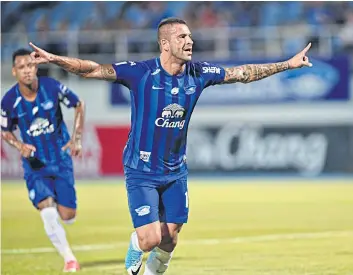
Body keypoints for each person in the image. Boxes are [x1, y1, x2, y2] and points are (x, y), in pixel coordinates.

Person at [28, 17, 313, 275]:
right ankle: (136, 242)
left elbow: (243, 72)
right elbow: (92, 70)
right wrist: (54, 59)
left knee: (171, 239)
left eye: (190, 37)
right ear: (165, 44)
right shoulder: (141, 73)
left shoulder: (199, 73)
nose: (190, 42)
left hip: (176, 170)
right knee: (150, 239)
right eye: (182, 37)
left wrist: (288, 64)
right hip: (141, 169)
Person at [1, 49, 85, 272]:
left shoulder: (51, 87)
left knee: (68, 215)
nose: (27, 71)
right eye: (21, 67)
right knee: (47, 210)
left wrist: (76, 138)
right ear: (14, 71)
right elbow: (5, 132)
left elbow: (78, 104)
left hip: (61, 160)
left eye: (30, 65)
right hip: (35, 165)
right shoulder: (9, 101)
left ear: (35, 67)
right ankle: (69, 259)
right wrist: (19, 146)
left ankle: (56, 207)